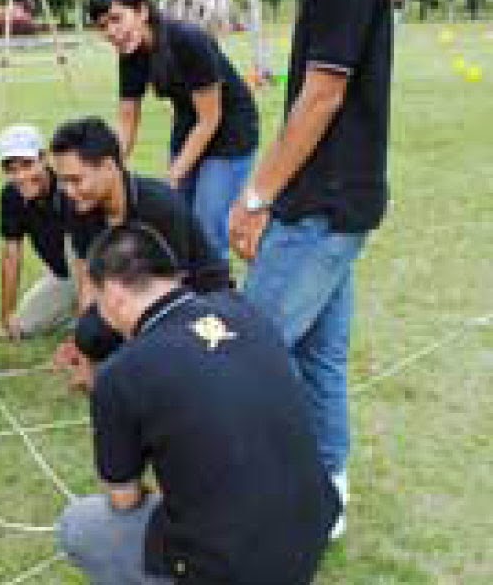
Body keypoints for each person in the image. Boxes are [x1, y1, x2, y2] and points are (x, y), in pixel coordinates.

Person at [57, 224, 338, 585]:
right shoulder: (242, 309)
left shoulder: (121, 373)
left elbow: (123, 499)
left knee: (80, 524)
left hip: (234, 568)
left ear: (110, 292)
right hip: (309, 534)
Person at [227, 0, 393, 539]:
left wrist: (255, 197)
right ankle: (326, 491)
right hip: (329, 200)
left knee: (247, 356)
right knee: (320, 357)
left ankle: (255, 494)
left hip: (325, 204)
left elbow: (323, 94)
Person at [89, 0, 259, 260]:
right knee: (173, 220)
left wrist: (175, 173)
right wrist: (110, 167)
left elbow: (210, 119)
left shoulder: (188, 39)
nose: (111, 32)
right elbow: (127, 119)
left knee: (207, 228)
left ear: (142, 11)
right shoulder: (130, 53)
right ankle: (183, 293)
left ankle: (213, 298)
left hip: (229, 132)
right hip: (188, 126)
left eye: (117, 19)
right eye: (103, 26)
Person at [48, 116, 230, 378]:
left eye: (76, 180)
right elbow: (89, 275)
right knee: (90, 333)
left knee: (172, 360)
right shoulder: (77, 205)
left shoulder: (160, 206)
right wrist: (84, 350)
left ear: (109, 167)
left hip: (197, 295)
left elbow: (171, 293)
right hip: (134, 295)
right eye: (63, 180)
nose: (67, 190)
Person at [0, 124, 76, 340]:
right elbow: (12, 255)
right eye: (11, 169)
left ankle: (92, 314)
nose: (20, 176)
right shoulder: (11, 195)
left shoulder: (70, 188)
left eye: (28, 164)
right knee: (22, 328)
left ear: (44, 158)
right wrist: (7, 315)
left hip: (97, 272)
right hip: (63, 275)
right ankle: (75, 313)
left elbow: (90, 255)